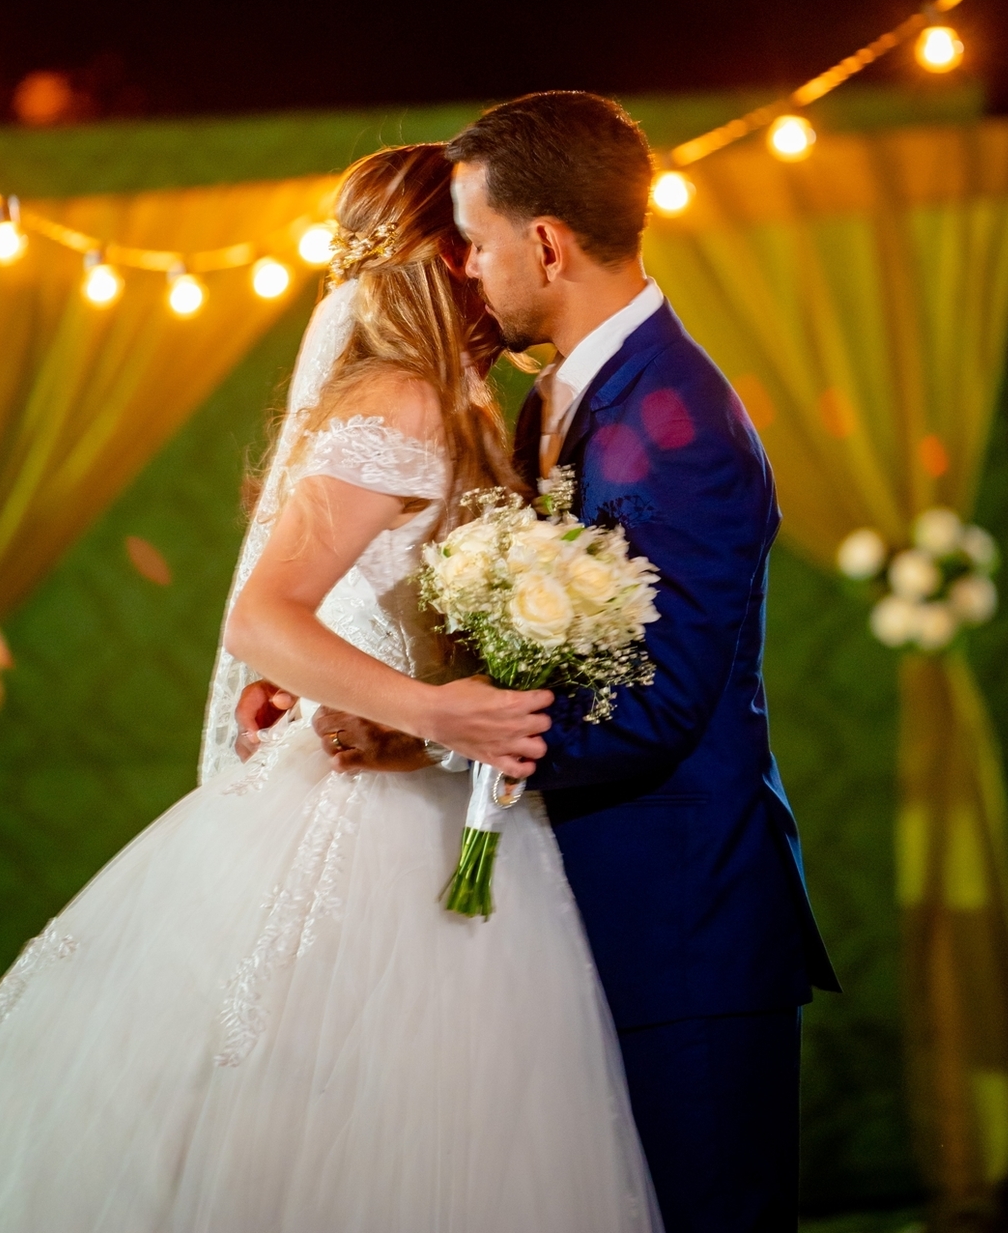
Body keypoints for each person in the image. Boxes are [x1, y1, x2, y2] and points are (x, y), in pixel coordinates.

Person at [0, 142, 660, 1233]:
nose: (488, 259)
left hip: (455, 802)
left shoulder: (470, 398)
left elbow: (374, 605)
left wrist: (407, 696)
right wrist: (428, 708)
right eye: (467, 241)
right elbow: (260, 613)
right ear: (430, 258)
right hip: (370, 828)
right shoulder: (403, 398)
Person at [252, 93, 839, 1233]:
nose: (464, 269)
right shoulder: (555, 405)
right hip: (570, 912)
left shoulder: (677, 421)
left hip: (680, 930)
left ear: (548, 244)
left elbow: (657, 709)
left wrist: (417, 729)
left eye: (473, 240)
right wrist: (348, 668)